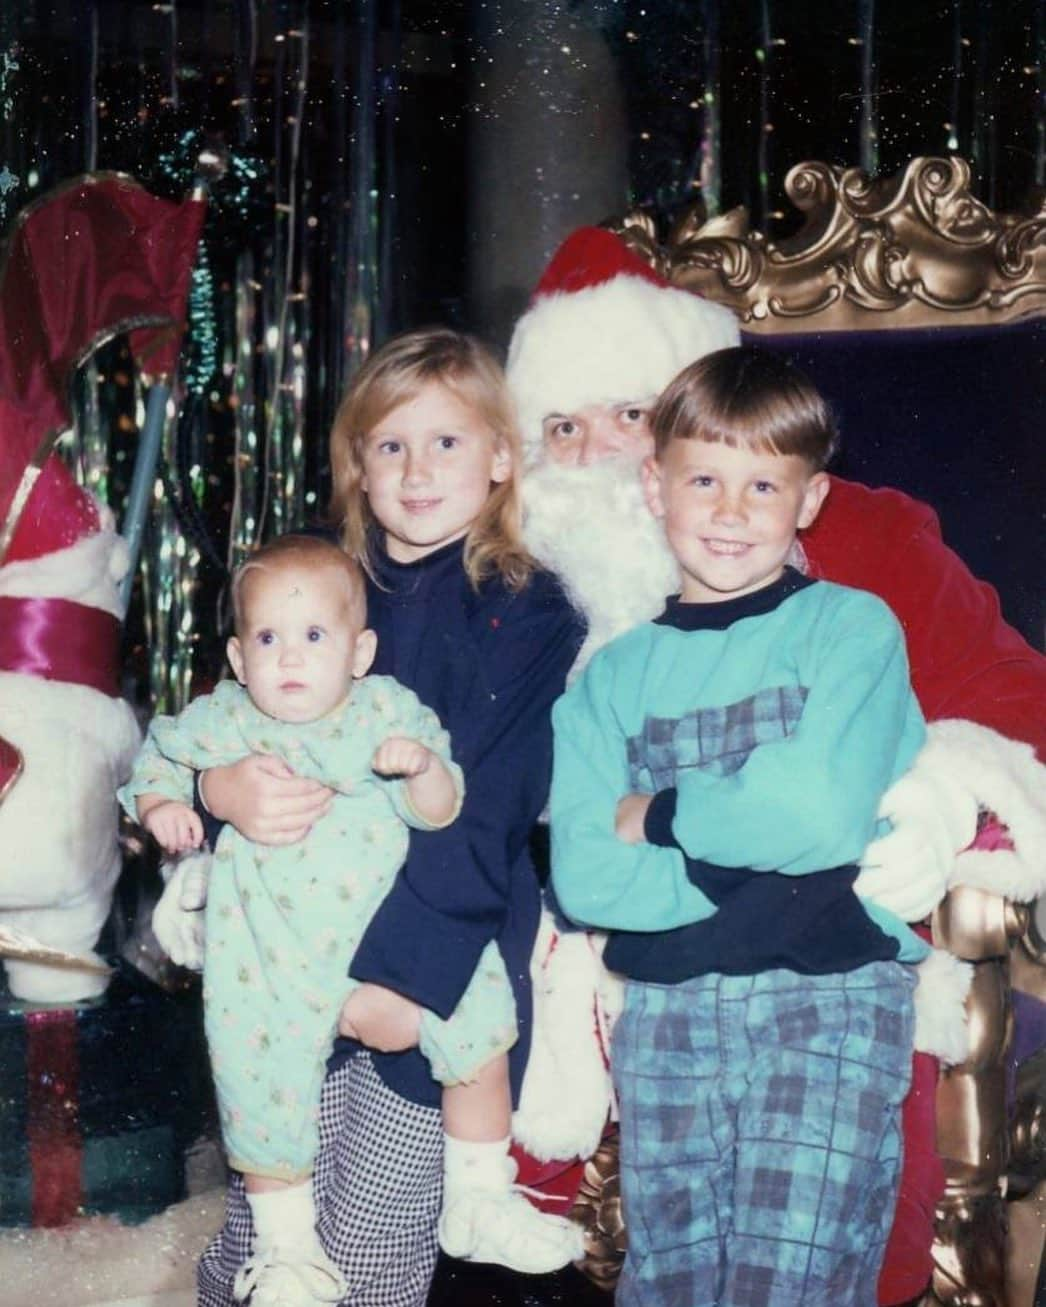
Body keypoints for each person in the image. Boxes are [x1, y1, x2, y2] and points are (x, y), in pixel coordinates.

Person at [505, 225, 1046, 1304]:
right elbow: (566, 844)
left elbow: (1008, 700)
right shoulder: (513, 586)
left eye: (628, 413)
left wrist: (935, 797)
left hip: (822, 980)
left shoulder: (864, 562)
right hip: (639, 991)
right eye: (562, 426)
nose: (599, 451)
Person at [178, 329, 586, 1307]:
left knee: (365, 1247)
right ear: (355, 462)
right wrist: (217, 786)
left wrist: (397, 978)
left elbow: (482, 812)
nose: (415, 469)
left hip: (428, 957)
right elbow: (221, 718)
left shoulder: (523, 609)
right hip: (288, 947)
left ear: (498, 457)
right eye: (389, 444)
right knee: (266, 1228)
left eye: (446, 442)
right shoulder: (317, 578)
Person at [552, 345, 928, 1304]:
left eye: (763, 484)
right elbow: (590, 875)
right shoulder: (610, 678)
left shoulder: (851, 628)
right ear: (655, 484)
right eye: (704, 479)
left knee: (787, 1279)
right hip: (668, 1014)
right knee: (671, 1283)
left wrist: (665, 813)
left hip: (827, 1000)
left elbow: (818, 812)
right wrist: (760, 860)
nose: (729, 511)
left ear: (808, 500)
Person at [125, 533, 576, 1303]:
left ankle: (478, 1194)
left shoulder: (386, 711)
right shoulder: (226, 718)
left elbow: (448, 809)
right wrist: (173, 801)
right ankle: (286, 1251)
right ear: (238, 659)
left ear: (359, 651)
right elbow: (156, 760)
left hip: (381, 944)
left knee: (479, 1020)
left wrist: (424, 768)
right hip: (274, 953)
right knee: (260, 1085)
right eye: (269, 638)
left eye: (313, 637)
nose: (291, 658)